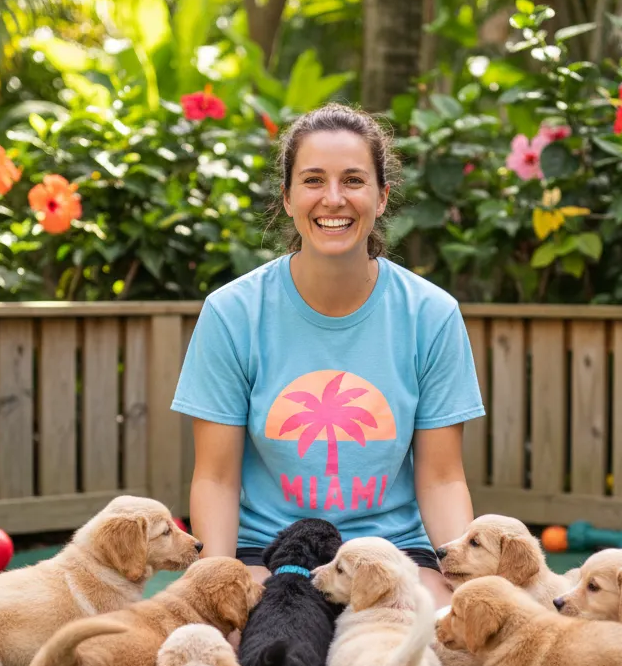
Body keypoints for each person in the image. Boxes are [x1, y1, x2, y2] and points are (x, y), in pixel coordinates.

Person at [171, 103, 485, 608]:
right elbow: (216, 477)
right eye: (313, 179)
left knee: (443, 652)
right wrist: (218, 592)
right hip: (269, 551)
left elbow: (443, 477)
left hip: (393, 553)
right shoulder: (232, 312)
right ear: (288, 196)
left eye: (354, 180)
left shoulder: (432, 314)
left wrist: (466, 593)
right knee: (245, 661)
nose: (333, 199)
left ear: (381, 197)